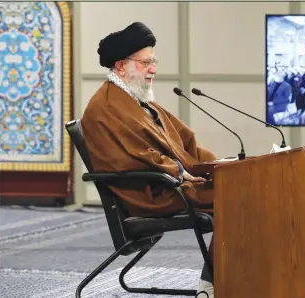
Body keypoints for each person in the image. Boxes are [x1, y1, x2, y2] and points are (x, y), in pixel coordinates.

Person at [80, 22, 215, 297]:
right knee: (238, 199)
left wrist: (220, 165)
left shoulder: (136, 98)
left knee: (240, 188)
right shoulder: (104, 107)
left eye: (153, 62)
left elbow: (182, 141)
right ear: (121, 66)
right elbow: (127, 159)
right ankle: (211, 286)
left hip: (168, 183)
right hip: (148, 192)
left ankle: (224, 280)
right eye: (146, 63)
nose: (153, 69)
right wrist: (177, 171)